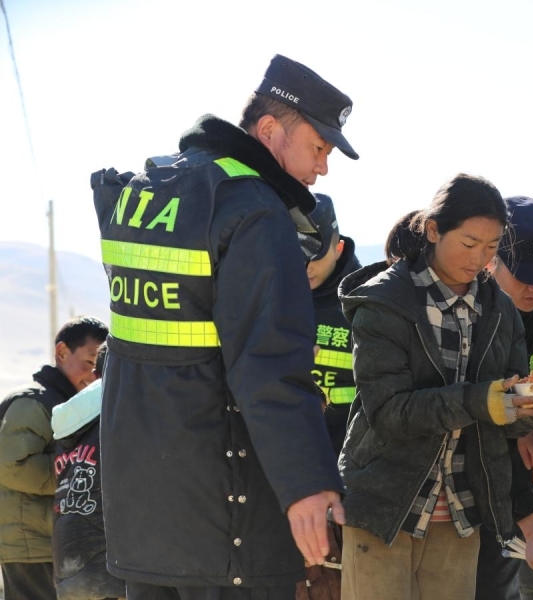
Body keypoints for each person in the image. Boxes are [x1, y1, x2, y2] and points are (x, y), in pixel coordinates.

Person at [90, 55, 354, 600]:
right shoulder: (254, 209)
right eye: (319, 148)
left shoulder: (148, 188)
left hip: (142, 512)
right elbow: (269, 363)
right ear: (269, 129)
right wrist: (306, 483)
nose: (323, 168)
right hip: (227, 520)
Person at [337, 175, 533, 600]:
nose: (480, 258)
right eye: (469, 244)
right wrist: (480, 401)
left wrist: (532, 408)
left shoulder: (500, 310)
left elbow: (502, 419)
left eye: (492, 247)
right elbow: (389, 412)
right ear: (433, 231)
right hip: (384, 508)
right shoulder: (385, 303)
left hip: (461, 512)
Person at [475, 196, 533, 599]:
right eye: (525, 275)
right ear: (490, 259)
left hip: (514, 466)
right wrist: (529, 519)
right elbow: (480, 424)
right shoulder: (469, 312)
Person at [0, 316, 108, 600]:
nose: (94, 376)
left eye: (100, 369)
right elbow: (13, 466)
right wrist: (77, 468)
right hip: (30, 546)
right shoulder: (33, 401)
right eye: (89, 362)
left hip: (53, 543)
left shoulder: (70, 406)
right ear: (61, 352)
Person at [51, 342, 125, 600]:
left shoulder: (67, 423)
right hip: (111, 570)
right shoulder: (123, 411)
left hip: (67, 566)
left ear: (96, 373)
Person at [304, 193, 362, 456]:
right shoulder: (268, 293)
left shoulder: (365, 298)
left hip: (350, 454)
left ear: (338, 248)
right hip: (284, 449)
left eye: (316, 255)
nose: (305, 266)